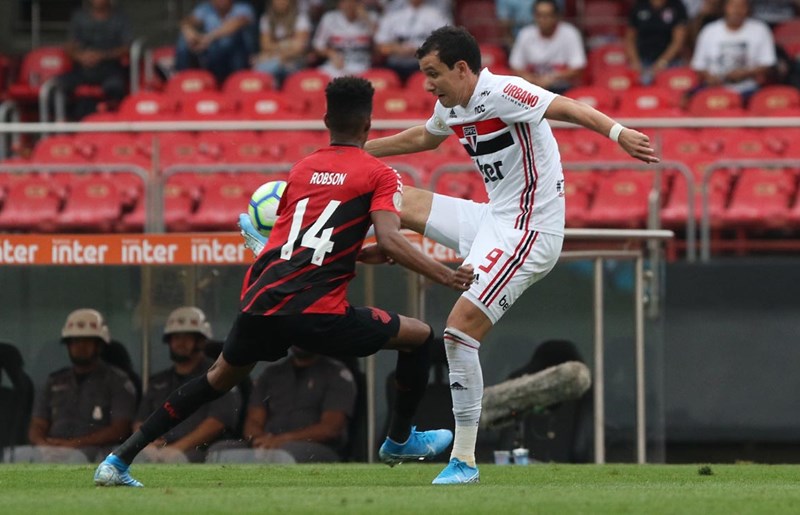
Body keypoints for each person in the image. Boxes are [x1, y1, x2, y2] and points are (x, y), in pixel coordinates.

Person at [93, 75, 475, 487]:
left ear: (327, 120)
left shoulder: (302, 168)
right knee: (419, 337)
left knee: (217, 378)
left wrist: (358, 255)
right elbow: (390, 236)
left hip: (262, 301)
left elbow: (299, 245)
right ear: (369, 126)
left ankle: (118, 460)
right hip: (317, 312)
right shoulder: (380, 174)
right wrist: (445, 274)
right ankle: (399, 440)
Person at [363, 26, 657, 484]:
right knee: (396, 198)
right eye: (424, 75)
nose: (428, 84)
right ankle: (315, 247)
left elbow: (569, 107)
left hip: (529, 231)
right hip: (493, 219)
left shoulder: (503, 91)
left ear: (462, 68)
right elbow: (425, 138)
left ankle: (464, 460)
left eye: (433, 73)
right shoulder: (452, 104)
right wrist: (354, 153)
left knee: (458, 334)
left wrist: (619, 133)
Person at [24, 309, 137, 463]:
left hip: (96, 451)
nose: (80, 346)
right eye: (75, 341)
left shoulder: (117, 380)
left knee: (76, 458)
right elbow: (37, 423)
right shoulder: (54, 381)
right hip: (51, 449)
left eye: (87, 341)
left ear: (99, 345)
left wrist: (73, 445)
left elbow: (120, 429)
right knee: (19, 455)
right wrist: (43, 446)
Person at [213, 346, 356, 463]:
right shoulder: (271, 373)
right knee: (219, 451)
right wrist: (260, 440)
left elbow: (330, 428)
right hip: (268, 443)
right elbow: (253, 422)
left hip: (317, 447)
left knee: (283, 454)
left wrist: (281, 440)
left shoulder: (336, 373)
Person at [135, 307, 241, 463]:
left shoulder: (219, 375)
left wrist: (178, 447)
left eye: (187, 337)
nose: (180, 343)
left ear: (201, 340)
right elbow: (140, 420)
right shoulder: (157, 381)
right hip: (159, 450)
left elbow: (217, 422)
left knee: (177, 460)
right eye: (175, 337)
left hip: (202, 451)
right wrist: (145, 443)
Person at [58, 0, 131, 120]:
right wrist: (81, 57)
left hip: (109, 69)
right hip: (82, 69)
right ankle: (67, 125)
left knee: (115, 88)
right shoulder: (79, 17)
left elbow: (126, 48)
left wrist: (102, 55)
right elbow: (69, 46)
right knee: (57, 87)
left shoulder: (120, 18)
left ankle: (111, 123)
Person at [691, 0, 777, 98]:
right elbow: (698, 65)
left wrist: (745, 73)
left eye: (741, 6)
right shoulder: (709, 31)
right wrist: (710, 78)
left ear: (748, 9)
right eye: (733, 6)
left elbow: (768, 64)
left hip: (748, 89)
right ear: (725, 8)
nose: (737, 10)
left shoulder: (760, 29)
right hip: (715, 89)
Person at [508, 0, 586, 94]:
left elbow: (578, 68)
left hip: (563, 88)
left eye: (547, 15)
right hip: (533, 88)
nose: (543, 19)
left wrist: (552, 78)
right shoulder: (525, 34)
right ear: (534, 16)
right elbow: (515, 65)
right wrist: (532, 79)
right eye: (539, 15)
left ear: (556, 16)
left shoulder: (570, 33)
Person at [176, 0, 256, 84]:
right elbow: (188, 21)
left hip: (236, 60)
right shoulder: (205, 9)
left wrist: (208, 38)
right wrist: (188, 31)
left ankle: (235, 81)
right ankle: (182, 79)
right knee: (183, 40)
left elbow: (235, 24)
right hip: (210, 56)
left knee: (231, 39)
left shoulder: (243, 8)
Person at [374, 0, 450, 82]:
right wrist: (397, 49)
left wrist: (421, 50)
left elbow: (445, 44)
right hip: (394, 67)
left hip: (423, 67)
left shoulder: (436, 15)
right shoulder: (393, 15)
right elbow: (380, 46)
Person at [625, 0, 689, 85]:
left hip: (669, 62)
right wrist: (635, 62)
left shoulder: (677, 6)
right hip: (642, 60)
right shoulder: (640, 5)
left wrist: (661, 63)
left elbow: (678, 41)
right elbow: (629, 39)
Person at [253, 0, 312, 88]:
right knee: (260, 69)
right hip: (275, 59)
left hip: (295, 60)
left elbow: (299, 48)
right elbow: (265, 46)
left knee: (263, 67)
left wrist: (277, 55)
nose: (280, 2)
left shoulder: (301, 18)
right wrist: (288, 44)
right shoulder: (266, 19)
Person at [311, 0, 378, 78]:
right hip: (335, 68)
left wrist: (367, 20)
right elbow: (318, 45)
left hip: (364, 67)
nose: (347, 5)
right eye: (344, 2)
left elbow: (382, 42)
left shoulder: (372, 17)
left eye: (351, 2)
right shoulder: (330, 18)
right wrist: (331, 54)